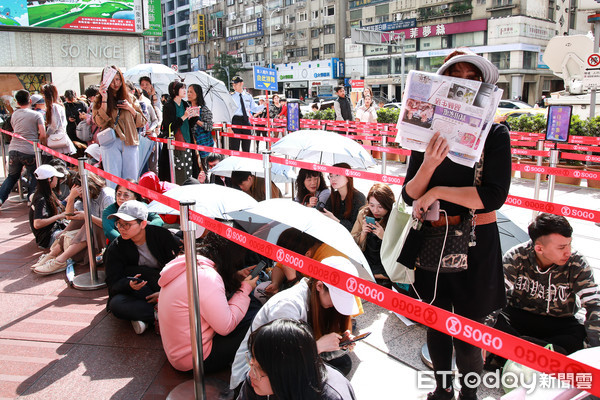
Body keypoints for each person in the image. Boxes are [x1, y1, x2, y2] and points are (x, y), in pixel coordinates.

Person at [401, 50, 511, 400]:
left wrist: (436, 189)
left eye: (472, 76)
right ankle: (441, 390)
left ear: (484, 86)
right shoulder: (425, 131)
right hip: (433, 237)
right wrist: (429, 166)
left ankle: (469, 394)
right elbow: (408, 194)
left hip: (476, 242)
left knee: (468, 331)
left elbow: (492, 196)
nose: (463, 79)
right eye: (455, 74)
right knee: (435, 322)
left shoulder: (495, 134)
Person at [230, 256, 361, 390]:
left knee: (342, 363)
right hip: (255, 379)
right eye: (336, 299)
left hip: (284, 363)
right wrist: (318, 347)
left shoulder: (316, 299)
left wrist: (340, 344)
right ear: (320, 286)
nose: (335, 306)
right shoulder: (288, 306)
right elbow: (279, 359)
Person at [486, 213, 600, 368]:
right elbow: (493, 297)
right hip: (518, 318)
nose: (568, 251)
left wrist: (593, 351)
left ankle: (514, 352)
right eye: (561, 247)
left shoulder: (576, 262)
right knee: (493, 321)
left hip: (560, 323)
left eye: (569, 244)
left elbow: (594, 304)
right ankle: (545, 353)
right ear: (539, 248)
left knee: (582, 336)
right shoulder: (517, 256)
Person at [158, 232, 259, 372]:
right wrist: (245, 288)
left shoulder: (189, 262)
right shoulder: (206, 276)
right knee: (257, 316)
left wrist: (234, 277)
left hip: (178, 352)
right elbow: (226, 326)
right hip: (196, 361)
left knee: (248, 304)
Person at [104, 200, 181, 334]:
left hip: (165, 286)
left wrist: (164, 294)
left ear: (143, 224)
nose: (121, 228)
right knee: (117, 305)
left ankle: (148, 318)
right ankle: (161, 315)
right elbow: (112, 283)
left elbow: (180, 269)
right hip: (138, 292)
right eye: (118, 224)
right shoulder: (115, 248)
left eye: (127, 225)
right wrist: (128, 284)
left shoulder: (162, 236)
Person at [238, 318, 357, 400]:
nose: (250, 374)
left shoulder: (332, 396)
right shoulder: (255, 383)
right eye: (252, 363)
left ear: (286, 373)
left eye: (259, 370)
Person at [31, 172, 115, 275]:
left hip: (110, 233)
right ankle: (53, 254)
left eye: (80, 192)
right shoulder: (83, 198)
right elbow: (69, 216)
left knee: (89, 221)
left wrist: (87, 216)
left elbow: (110, 225)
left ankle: (60, 260)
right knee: (78, 219)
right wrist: (71, 197)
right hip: (96, 232)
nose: (79, 195)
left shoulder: (107, 196)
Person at [93, 66, 145, 187]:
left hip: (129, 140)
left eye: (118, 79)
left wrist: (130, 108)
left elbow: (142, 122)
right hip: (110, 141)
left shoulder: (130, 98)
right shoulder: (99, 99)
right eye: (112, 80)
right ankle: (114, 204)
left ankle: (130, 204)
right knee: (113, 180)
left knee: (131, 180)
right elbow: (99, 122)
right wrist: (104, 100)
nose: (115, 83)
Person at [0, 90, 46, 208]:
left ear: (17, 101)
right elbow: (43, 134)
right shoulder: (36, 115)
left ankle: (0, 198)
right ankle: (31, 199)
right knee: (35, 175)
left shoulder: (14, 114)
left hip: (14, 149)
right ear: (30, 100)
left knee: (12, 176)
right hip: (30, 150)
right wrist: (40, 143)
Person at [351, 183, 395, 288]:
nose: (375, 210)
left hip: (386, 265)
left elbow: (399, 250)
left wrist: (384, 237)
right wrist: (363, 235)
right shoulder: (363, 214)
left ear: (388, 205)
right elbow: (351, 243)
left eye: (380, 206)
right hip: (367, 261)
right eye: (371, 205)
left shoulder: (395, 218)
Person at [159, 81, 193, 184]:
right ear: (174, 91)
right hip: (175, 142)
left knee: (189, 168)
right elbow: (169, 126)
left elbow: (189, 124)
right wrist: (183, 117)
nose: (185, 91)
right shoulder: (168, 106)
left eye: (184, 88)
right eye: (182, 88)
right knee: (178, 169)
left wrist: (194, 116)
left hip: (187, 140)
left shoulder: (185, 104)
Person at [29, 165, 67, 250]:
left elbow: (60, 206)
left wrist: (70, 197)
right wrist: (59, 216)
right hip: (48, 237)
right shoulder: (41, 199)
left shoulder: (45, 193)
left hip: (50, 233)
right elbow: (37, 223)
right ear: (49, 179)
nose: (57, 179)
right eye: (55, 177)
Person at [323, 163, 366, 231]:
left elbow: (356, 227)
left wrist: (336, 220)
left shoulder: (358, 197)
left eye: (337, 175)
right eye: (331, 176)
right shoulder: (334, 196)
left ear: (348, 178)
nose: (333, 179)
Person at [230, 76, 264, 152]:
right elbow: (228, 111)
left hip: (246, 121)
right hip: (235, 120)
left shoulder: (248, 96)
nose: (234, 86)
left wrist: (263, 105)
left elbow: (254, 108)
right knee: (234, 145)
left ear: (241, 84)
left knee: (246, 145)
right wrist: (229, 125)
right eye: (233, 84)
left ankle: (245, 161)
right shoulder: (231, 96)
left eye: (236, 84)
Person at [43, 83, 77, 156]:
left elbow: (54, 125)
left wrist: (47, 134)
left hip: (56, 138)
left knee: (57, 161)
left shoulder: (54, 107)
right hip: (60, 136)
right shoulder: (57, 106)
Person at [187, 84, 214, 169]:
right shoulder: (186, 108)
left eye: (191, 92)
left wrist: (197, 121)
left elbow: (209, 127)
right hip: (191, 144)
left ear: (197, 94)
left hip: (204, 145)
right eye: (188, 91)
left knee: (205, 169)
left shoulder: (204, 110)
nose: (188, 94)